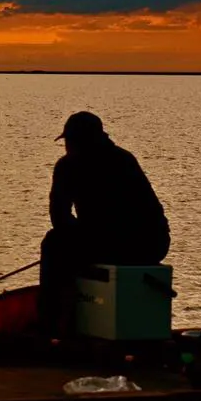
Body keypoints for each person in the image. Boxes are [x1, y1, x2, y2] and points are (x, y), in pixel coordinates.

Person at [38, 110, 170, 336]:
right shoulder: (123, 159)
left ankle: (52, 326)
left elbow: (60, 217)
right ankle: (69, 318)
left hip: (136, 242)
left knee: (53, 243)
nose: (67, 147)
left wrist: (78, 236)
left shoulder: (72, 166)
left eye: (70, 141)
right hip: (151, 243)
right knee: (65, 244)